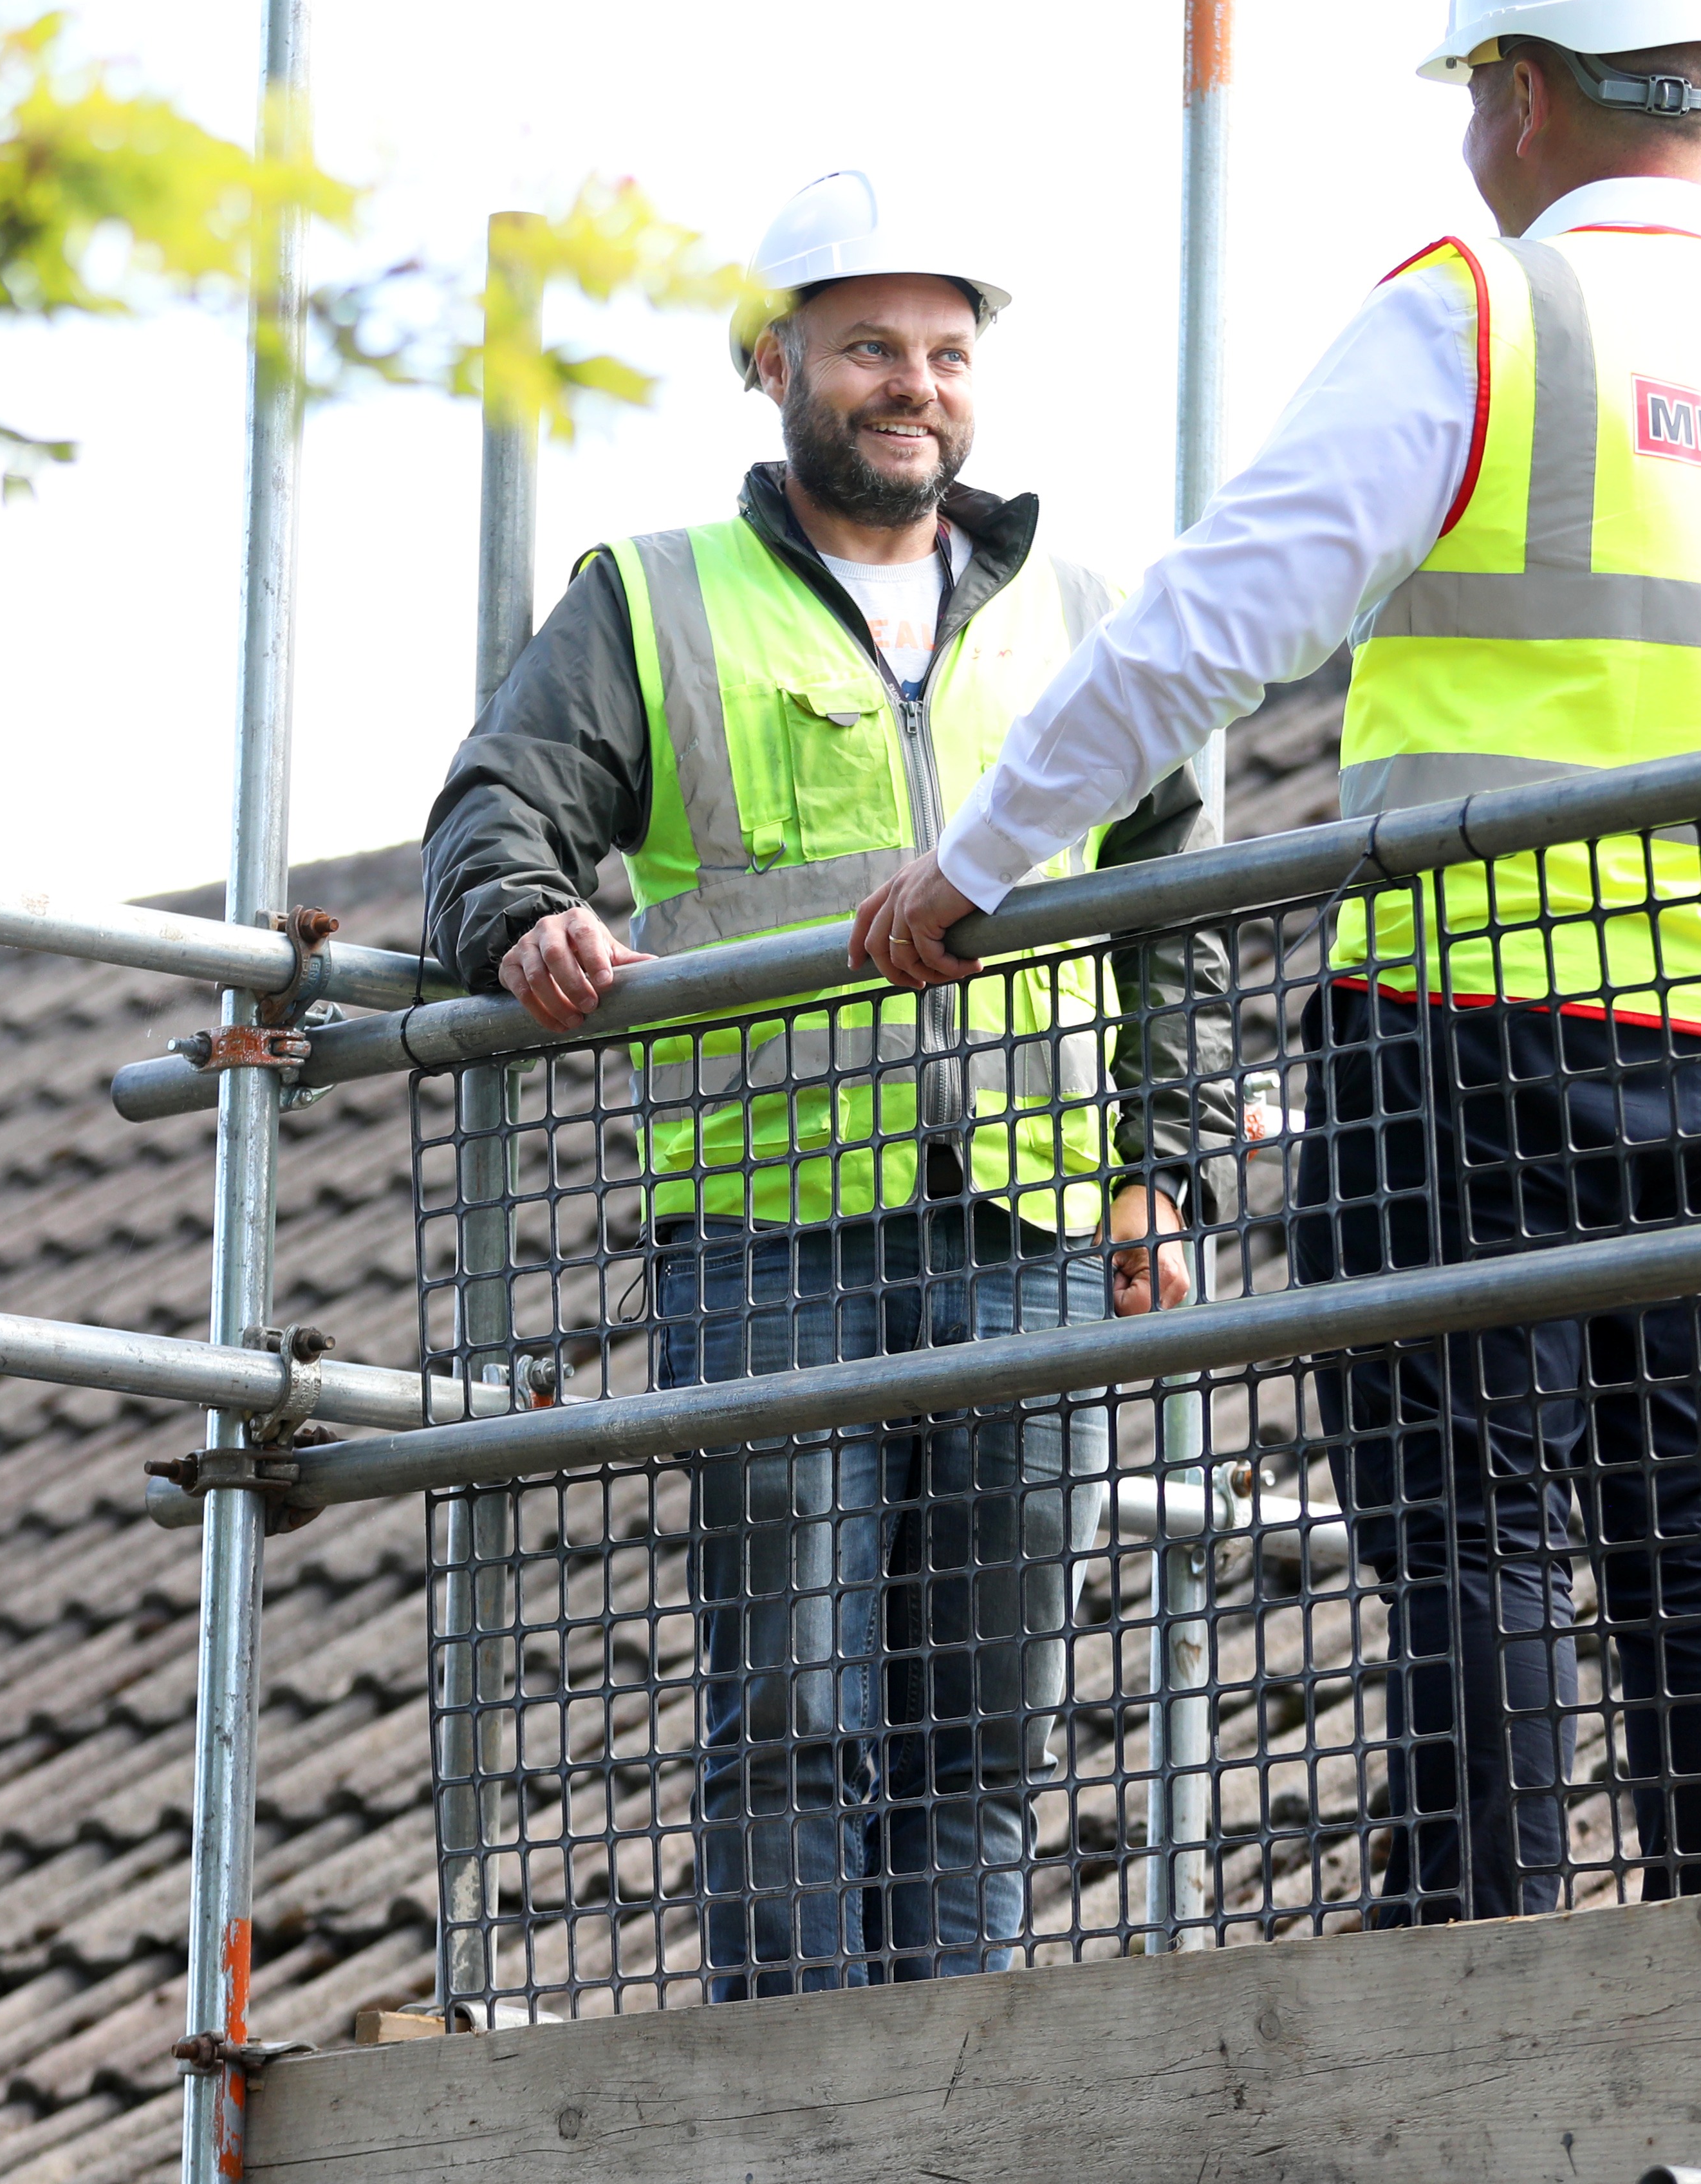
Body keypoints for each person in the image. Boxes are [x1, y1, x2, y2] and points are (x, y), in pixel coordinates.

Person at [852, 0, 1701, 1921]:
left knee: (1469, 1521)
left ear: (1514, 95)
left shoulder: (1483, 309)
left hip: (1477, 1023)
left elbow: (1202, 634)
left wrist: (975, 869)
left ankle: (1475, 1948)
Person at [422, 169, 1236, 1993]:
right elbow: (496, 808)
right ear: (773, 363)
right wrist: (526, 917)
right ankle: (794, 2092)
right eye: (869, 347)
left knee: (992, 1727)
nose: (913, 385)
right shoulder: (655, 597)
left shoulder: (1085, 612)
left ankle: (943, 2096)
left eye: (946, 352)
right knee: (793, 1710)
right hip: (773, 1235)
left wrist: (1159, 1179)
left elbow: (1180, 914)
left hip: (1031, 1229)